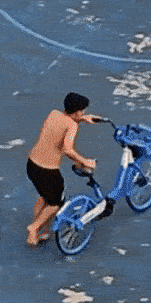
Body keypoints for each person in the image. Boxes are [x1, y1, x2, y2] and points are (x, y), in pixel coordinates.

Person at [26, 92, 99, 246]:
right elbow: (67, 149)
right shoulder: (72, 125)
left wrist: (80, 119)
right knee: (56, 203)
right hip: (47, 171)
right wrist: (85, 161)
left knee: (45, 196)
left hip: (32, 165)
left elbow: (61, 126)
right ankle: (34, 228)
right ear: (77, 111)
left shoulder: (54, 114)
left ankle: (42, 230)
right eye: (83, 111)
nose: (84, 113)